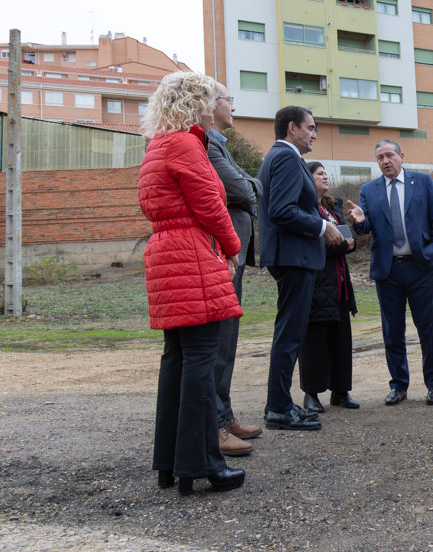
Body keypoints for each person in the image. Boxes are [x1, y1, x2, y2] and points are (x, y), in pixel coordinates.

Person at [138, 71, 246, 495]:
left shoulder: (157, 145)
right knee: (201, 359)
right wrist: (232, 245)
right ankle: (204, 465)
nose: (212, 106)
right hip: (192, 255)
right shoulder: (187, 143)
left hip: (165, 253)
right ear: (194, 104)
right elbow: (210, 205)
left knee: (178, 360)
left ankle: (171, 464)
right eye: (208, 99)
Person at [258, 106, 344, 431]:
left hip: (293, 256)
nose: (314, 133)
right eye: (310, 127)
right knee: (290, 335)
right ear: (292, 128)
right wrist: (323, 227)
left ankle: (279, 404)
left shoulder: (282, 157)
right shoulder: (286, 157)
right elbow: (282, 209)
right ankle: (278, 409)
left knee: (290, 334)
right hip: (293, 257)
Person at [345, 140, 433, 406]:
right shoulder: (369, 190)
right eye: (380, 157)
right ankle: (399, 385)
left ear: (401, 156)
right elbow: (365, 229)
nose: (385, 160)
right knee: (393, 331)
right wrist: (359, 220)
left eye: (390, 155)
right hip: (387, 272)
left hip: (420, 267)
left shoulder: (422, 182)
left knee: (428, 329)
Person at [205, 82, 262, 457]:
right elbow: (243, 191)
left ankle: (223, 415)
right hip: (220, 257)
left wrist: (249, 184)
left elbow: (248, 185)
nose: (234, 108)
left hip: (232, 256)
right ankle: (215, 424)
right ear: (212, 105)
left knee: (229, 339)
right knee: (218, 342)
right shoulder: (207, 146)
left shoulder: (218, 145)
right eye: (229, 101)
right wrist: (249, 184)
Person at [299, 161, 360, 413]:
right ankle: (311, 394)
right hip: (316, 285)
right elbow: (309, 245)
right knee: (314, 341)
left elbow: (342, 239)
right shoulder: (303, 208)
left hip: (339, 284)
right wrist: (340, 246)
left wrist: (350, 241)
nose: (325, 176)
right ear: (306, 178)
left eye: (326, 173)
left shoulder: (331, 207)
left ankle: (341, 391)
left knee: (341, 340)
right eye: (319, 173)